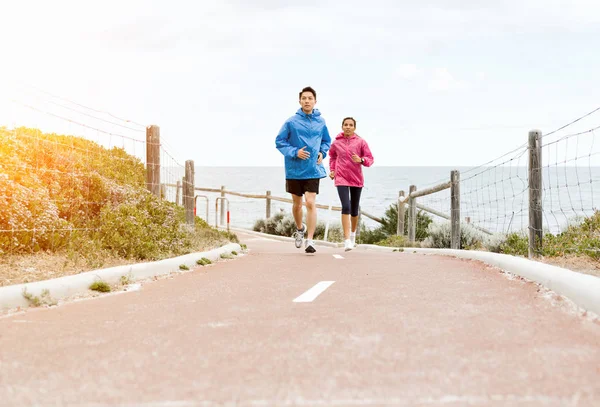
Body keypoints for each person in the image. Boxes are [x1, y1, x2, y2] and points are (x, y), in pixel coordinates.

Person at [275, 86, 331, 254]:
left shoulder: (321, 122)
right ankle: (300, 229)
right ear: (300, 101)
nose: (307, 101)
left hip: (313, 169)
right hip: (294, 169)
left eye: (310, 98)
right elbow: (280, 141)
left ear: (315, 101)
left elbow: (326, 141)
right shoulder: (291, 122)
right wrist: (295, 152)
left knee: (311, 202)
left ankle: (310, 240)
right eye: (304, 98)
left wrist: (322, 152)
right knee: (297, 205)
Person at [328, 117, 374, 251]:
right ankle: (347, 240)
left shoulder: (361, 142)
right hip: (341, 178)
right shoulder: (336, 143)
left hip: (356, 179)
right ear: (342, 126)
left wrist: (361, 160)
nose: (348, 127)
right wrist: (332, 170)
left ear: (354, 128)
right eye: (346, 125)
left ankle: (353, 235)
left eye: (351, 125)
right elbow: (332, 157)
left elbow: (370, 159)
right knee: (346, 207)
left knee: (354, 210)